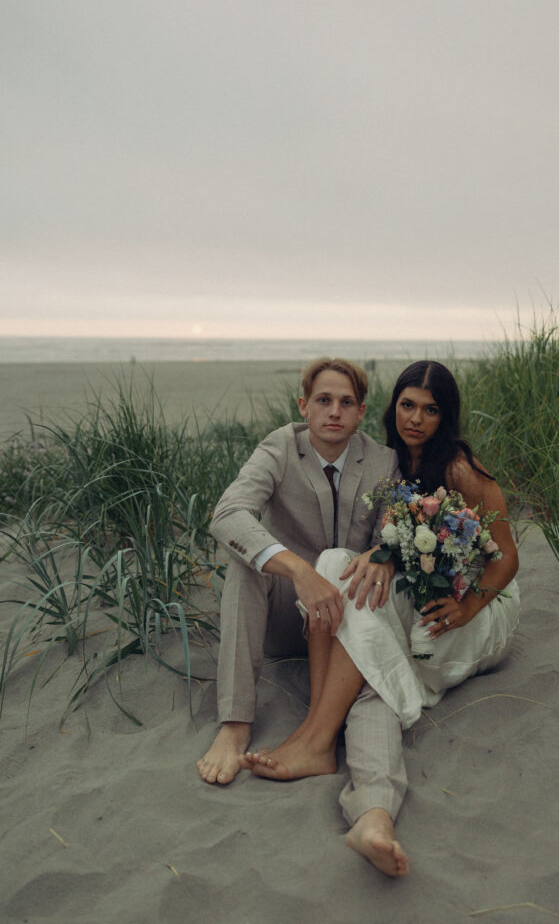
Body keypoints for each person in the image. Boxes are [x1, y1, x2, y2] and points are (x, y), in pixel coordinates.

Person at [243, 361, 520, 879]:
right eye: (408, 405)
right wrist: (381, 553)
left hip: (469, 612)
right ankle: (373, 817)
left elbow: (506, 557)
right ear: (394, 408)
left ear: (446, 415)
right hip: (423, 594)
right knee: (331, 567)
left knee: (372, 664)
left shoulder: (458, 467)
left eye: (431, 409)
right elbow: (394, 537)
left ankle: (316, 739)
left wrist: (469, 606)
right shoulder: (392, 462)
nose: (416, 418)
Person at [196, 357, 399, 803]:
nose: (334, 412)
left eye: (347, 402)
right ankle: (234, 727)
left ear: (361, 411)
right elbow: (228, 515)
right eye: (323, 400)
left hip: (344, 622)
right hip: (284, 616)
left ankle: (324, 739)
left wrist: (376, 553)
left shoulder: (383, 461)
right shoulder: (280, 447)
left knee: (364, 568)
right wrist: (298, 569)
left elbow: (392, 535)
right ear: (303, 405)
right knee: (243, 565)